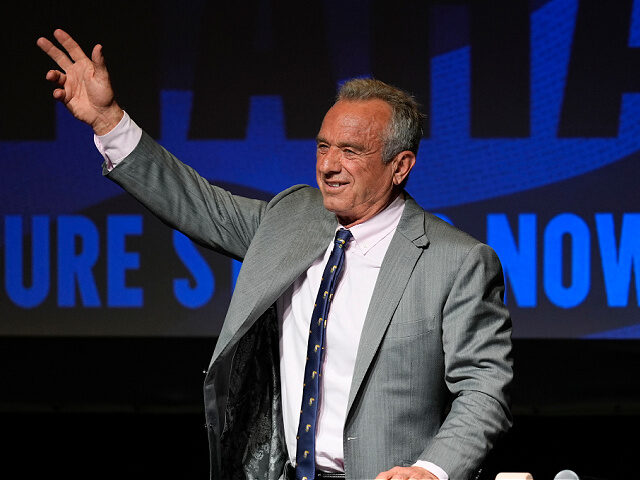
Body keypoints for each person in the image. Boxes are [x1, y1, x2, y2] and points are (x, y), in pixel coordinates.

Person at [37, 29, 513, 480]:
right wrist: (108, 120)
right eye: (324, 146)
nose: (328, 166)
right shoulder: (291, 217)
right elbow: (196, 203)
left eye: (350, 151)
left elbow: (484, 388)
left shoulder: (456, 262)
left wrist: (430, 470)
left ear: (400, 166)